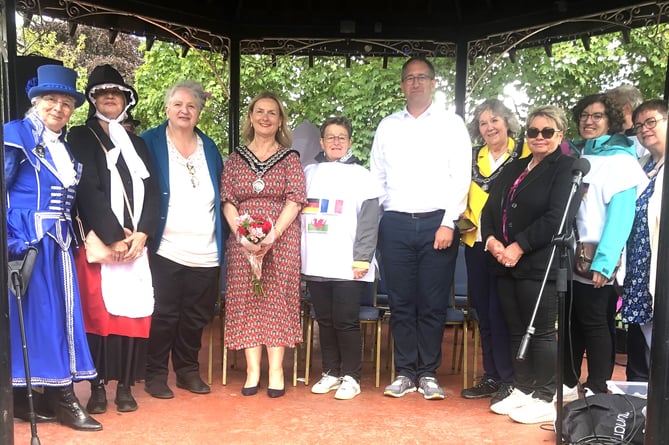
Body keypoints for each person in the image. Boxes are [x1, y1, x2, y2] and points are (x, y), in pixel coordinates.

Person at [5, 64, 102, 431]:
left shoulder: (63, 147)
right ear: (35, 100)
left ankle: (50, 395)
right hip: (28, 242)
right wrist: (14, 240)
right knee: (37, 321)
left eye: (66, 102)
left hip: (59, 244)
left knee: (60, 319)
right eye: (51, 100)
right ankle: (55, 398)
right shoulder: (16, 135)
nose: (58, 108)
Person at [369, 56, 472, 400]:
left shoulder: (451, 124)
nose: (415, 83)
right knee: (400, 302)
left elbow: (461, 176)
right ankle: (404, 372)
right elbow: (377, 175)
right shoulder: (387, 126)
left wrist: (447, 223)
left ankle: (427, 372)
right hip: (395, 223)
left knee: (430, 302)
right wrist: (385, 217)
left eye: (421, 77)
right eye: (409, 78)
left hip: (436, 223)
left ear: (433, 83)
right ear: (402, 85)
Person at [68, 64, 160, 413]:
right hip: (100, 243)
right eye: (103, 92)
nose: (110, 96)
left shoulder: (137, 143)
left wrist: (143, 233)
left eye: (116, 92)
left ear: (126, 99)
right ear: (93, 99)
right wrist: (111, 236)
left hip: (135, 243)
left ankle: (124, 386)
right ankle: (96, 388)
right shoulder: (80, 135)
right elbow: (86, 189)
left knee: (133, 318)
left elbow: (153, 191)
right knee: (99, 317)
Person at [480, 105, 575, 424]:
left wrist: (518, 246)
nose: (539, 137)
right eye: (534, 131)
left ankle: (546, 395)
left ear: (559, 135)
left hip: (540, 263)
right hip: (504, 262)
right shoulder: (514, 167)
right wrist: (492, 242)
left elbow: (556, 217)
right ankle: (523, 388)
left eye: (547, 132)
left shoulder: (566, 168)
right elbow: (490, 208)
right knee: (516, 328)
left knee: (542, 332)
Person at [140, 80, 224, 399]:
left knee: (195, 316)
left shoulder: (210, 147)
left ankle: (188, 370)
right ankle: (156, 373)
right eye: (178, 104)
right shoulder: (148, 142)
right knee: (163, 313)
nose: (184, 110)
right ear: (167, 108)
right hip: (165, 247)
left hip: (205, 251)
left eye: (191, 106)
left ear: (199, 113)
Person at [562, 94, 647, 401]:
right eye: (584, 115)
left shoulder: (620, 159)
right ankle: (568, 383)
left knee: (596, 323)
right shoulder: (575, 153)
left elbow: (622, 215)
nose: (589, 121)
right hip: (567, 254)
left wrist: (605, 261)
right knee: (571, 322)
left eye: (597, 116)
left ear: (610, 120)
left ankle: (598, 388)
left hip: (596, 256)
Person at [221, 92, 306, 398]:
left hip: (280, 240)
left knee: (276, 300)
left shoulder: (290, 158)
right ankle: (252, 371)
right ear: (251, 117)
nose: (266, 117)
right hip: (242, 240)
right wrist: (244, 235)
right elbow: (228, 200)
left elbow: (296, 200)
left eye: (272, 113)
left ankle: (276, 371)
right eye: (260, 111)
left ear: (280, 120)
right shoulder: (235, 159)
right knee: (247, 299)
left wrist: (272, 235)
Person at [300, 116, 383, 400]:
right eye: (330, 137)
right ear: (321, 142)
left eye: (341, 137)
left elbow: (370, 222)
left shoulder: (363, 176)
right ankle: (331, 372)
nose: (336, 142)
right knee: (324, 320)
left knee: (346, 321)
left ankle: (352, 376)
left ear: (349, 141)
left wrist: (362, 258)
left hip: (349, 264)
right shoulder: (308, 172)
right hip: (316, 262)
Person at [459, 99, 530, 405]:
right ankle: (491, 375)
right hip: (476, 243)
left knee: (506, 314)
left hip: (509, 247)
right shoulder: (473, 157)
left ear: (507, 122)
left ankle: (511, 379)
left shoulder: (524, 153)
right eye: (484, 123)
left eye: (495, 121)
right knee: (484, 313)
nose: (489, 127)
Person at [621, 99, 667, 380]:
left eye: (651, 122)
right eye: (639, 125)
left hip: (662, 263)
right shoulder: (642, 165)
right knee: (644, 332)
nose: (644, 129)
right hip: (639, 263)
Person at [606, 85, 645, 158]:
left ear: (627, 108)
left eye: (611, 107)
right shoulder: (605, 138)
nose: (606, 112)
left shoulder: (646, 138)